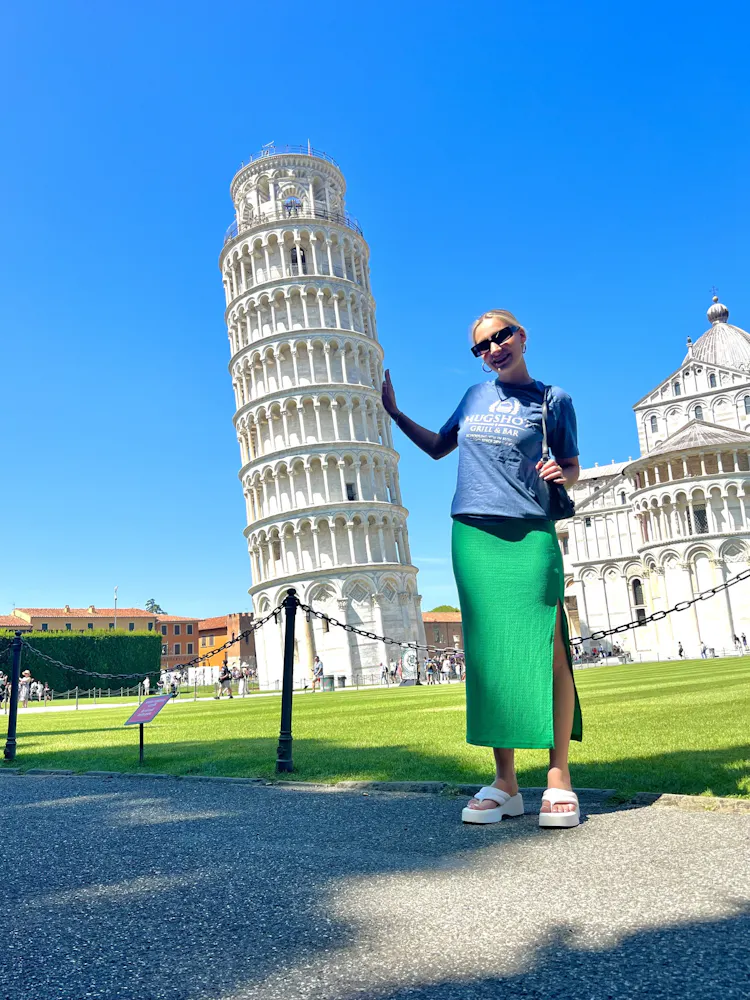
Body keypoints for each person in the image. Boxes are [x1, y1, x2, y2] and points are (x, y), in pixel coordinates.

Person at [382, 308, 582, 828]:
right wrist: (397, 416)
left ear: (522, 336)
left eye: (502, 337)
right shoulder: (473, 398)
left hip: (529, 528)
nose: (494, 348)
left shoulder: (552, 399)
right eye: (482, 347)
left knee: (549, 645)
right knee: (488, 656)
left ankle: (558, 775)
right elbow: (437, 449)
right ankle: (506, 782)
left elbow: (572, 466)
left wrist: (562, 472)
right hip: (471, 533)